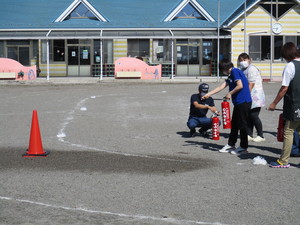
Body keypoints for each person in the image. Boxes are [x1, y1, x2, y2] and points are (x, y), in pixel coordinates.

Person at [202, 59, 252, 155]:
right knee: (234, 124)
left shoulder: (235, 71)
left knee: (242, 125)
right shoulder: (231, 75)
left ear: (224, 68)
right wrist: (208, 94)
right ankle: (231, 144)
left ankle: (243, 147)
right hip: (238, 103)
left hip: (244, 102)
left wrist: (229, 93)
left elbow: (240, 85)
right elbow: (221, 86)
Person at [268, 42, 300, 168]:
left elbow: (284, 88)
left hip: (294, 104)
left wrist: (274, 103)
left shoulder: (290, 66)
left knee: (289, 131)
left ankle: (283, 161)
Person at [238, 53, 266, 142]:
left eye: (244, 60)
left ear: (249, 59)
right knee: (249, 115)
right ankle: (249, 134)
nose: (243, 62)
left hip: (256, 95)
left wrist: (246, 94)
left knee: (254, 115)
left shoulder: (252, 69)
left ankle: (260, 135)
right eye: (241, 60)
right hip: (249, 96)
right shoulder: (243, 69)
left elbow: (251, 83)